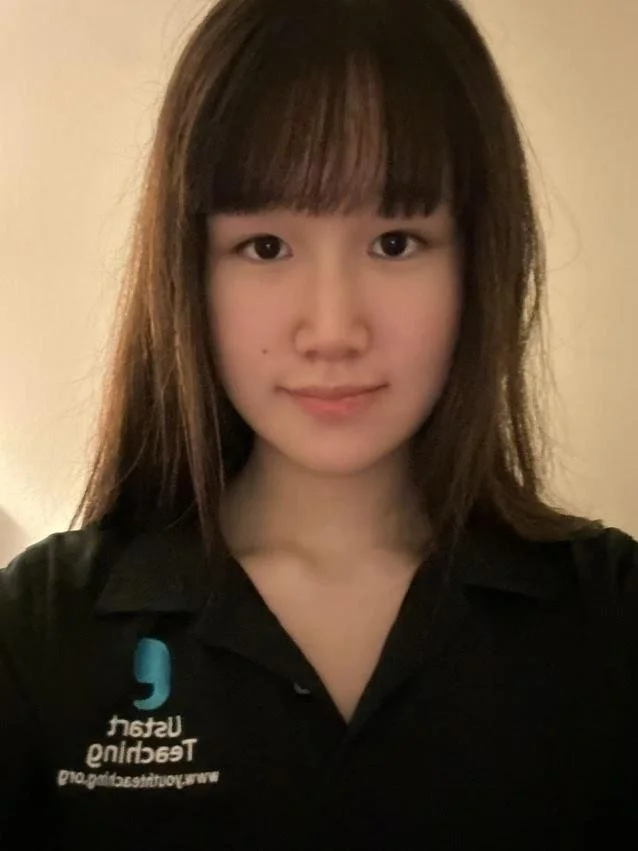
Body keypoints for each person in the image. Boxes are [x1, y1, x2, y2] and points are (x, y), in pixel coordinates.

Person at [1, 0, 637, 848]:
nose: (333, 329)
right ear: (190, 272)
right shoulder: (42, 629)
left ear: (478, 263)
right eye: (266, 246)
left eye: (396, 242)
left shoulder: (609, 617)